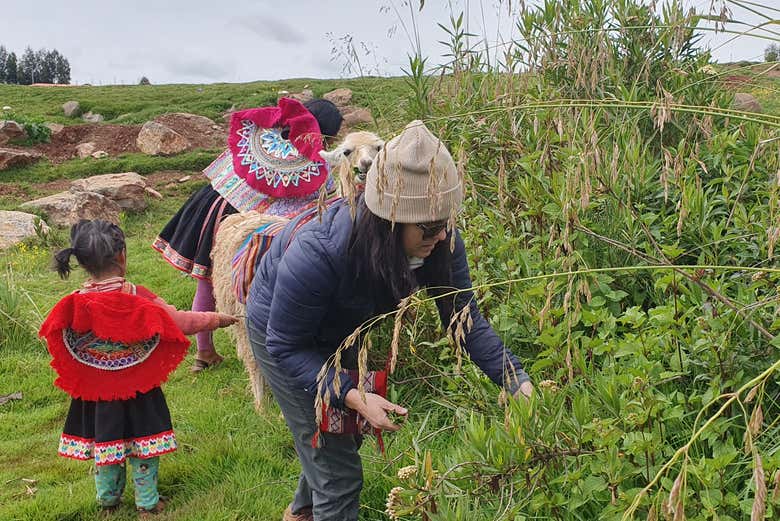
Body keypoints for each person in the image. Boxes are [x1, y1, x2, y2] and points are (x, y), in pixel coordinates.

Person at [245, 121, 533, 521]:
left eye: (445, 223)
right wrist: (354, 394)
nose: (441, 237)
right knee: (341, 475)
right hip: (283, 332)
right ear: (389, 222)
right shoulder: (321, 251)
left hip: (344, 329)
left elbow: (463, 319)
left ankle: (301, 514)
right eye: (429, 228)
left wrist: (515, 379)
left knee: (336, 438)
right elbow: (286, 346)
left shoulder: (440, 239)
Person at [39, 220, 237, 516]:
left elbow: (59, 338)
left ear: (80, 262)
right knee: (144, 445)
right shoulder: (139, 297)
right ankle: (147, 503)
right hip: (138, 388)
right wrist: (217, 319)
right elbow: (180, 323)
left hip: (96, 394)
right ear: (122, 256)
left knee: (106, 447)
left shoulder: (73, 305)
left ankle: (108, 499)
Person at [153, 98, 343, 373]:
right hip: (236, 220)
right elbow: (313, 203)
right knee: (241, 284)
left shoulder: (265, 136)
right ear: (326, 133)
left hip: (213, 201)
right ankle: (258, 349)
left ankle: (204, 352)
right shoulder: (310, 164)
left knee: (206, 281)